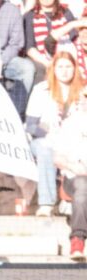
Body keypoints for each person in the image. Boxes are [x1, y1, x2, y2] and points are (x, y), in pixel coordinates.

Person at [26, 51, 84, 217]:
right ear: (54, 69)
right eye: (60, 67)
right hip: (45, 139)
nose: (64, 71)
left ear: (74, 69)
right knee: (46, 149)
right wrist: (50, 133)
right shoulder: (41, 89)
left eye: (68, 67)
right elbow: (31, 126)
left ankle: (71, 199)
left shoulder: (83, 91)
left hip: (75, 142)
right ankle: (46, 203)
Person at [52, 100, 87, 260]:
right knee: (82, 185)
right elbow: (57, 158)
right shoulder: (70, 125)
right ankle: (77, 240)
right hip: (74, 176)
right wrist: (74, 167)